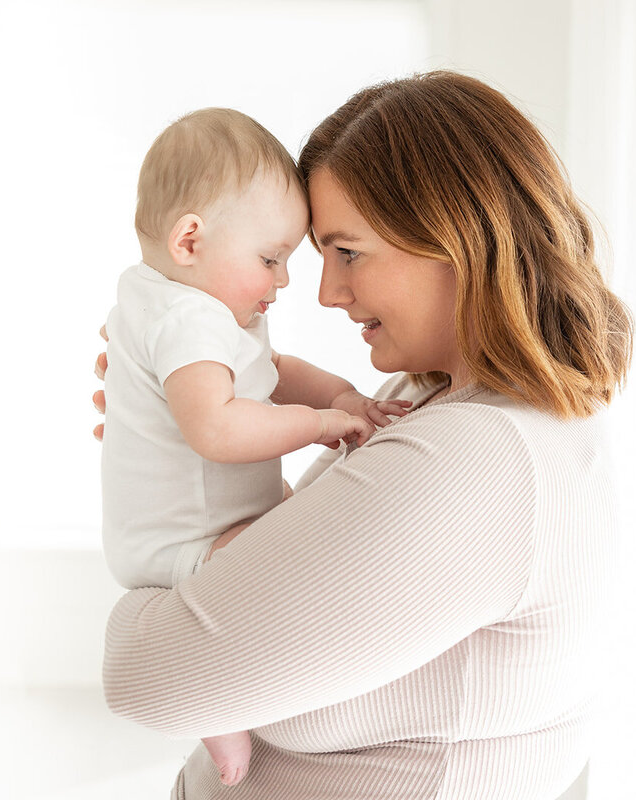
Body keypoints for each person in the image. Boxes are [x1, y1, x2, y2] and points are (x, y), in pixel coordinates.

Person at [96, 71, 633, 800]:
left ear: (458, 236)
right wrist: (166, 441)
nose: (325, 292)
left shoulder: (479, 460)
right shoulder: (436, 400)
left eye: (347, 252)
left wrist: (154, 573)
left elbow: (146, 679)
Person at [101, 107, 409, 786]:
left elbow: (273, 375)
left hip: (192, 526)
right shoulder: (187, 318)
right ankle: (220, 714)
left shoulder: (187, 304)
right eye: (271, 259)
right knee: (269, 571)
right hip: (184, 538)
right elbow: (218, 428)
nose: (287, 281)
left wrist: (340, 396)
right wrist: (322, 424)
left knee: (282, 547)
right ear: (190, 240)